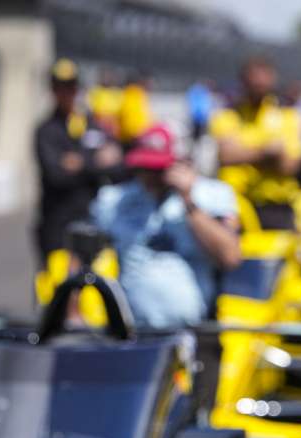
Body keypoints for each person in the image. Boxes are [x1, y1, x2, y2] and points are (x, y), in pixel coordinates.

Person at [91, 124, 241, 328]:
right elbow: (84, 252)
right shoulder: (115, 200)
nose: (151, 176)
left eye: (158, 169)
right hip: (133, 328)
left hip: (193, 329)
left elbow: (230, 256)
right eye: (145, 168)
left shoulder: (211, 195)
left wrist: (189, 202)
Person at [33, 58, 124, 264]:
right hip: (58, 227)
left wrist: (79, 163)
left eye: (71, 87)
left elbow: (118, 168)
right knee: (59, 287)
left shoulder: (93, 125)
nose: (66, 93)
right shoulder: (46, 131)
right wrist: (95, 161)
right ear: (53, 90)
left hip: (96, 221)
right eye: (60, 87)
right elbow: (56, 176)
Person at [210, 56, 301, 230]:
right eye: (253, 80)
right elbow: (225, 156)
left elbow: (289, 166)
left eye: (263, 80)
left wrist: (244, 154)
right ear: (243, 81)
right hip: (236, 207)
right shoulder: (227, 114)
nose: (258, 85)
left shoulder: (287, 115)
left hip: (276, 208)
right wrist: (266, 153)